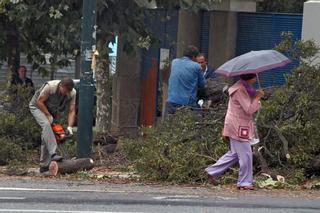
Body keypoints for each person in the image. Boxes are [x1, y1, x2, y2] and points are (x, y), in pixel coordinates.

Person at [205, 74, 264, 190]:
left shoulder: (243, 87)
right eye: (254, 77)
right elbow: (249, 109)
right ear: (250, 78)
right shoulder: (240, 90)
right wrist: (258, 98)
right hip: (238, 126)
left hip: (237, 124)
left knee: (235, 153)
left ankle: (212, 171)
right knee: (246, 154)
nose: (256, 79)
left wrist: (255, 95)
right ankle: (244, 182)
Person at [29, 77, 76, 173]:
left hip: (50, 110)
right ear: (60, 85)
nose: (66, 93)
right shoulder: (50, 87)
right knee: (46, 125)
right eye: (65, 90)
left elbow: (72, 110)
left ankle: (44, 165)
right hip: (37, 106)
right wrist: (48, 116)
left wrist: (70, 127)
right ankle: (53, 153)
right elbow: (39, 102)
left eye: (68, 91)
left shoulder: (72, 93)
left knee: (47, 134)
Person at [166, 45, 205, 114]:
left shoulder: (174, 62)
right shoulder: (196, 66)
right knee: (200, 115)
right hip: (186, 104)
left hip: (171, 102)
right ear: (193, 57)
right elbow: (202, 85)